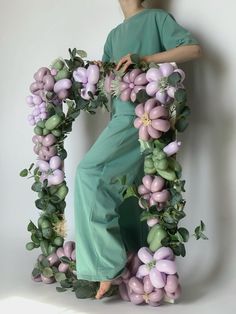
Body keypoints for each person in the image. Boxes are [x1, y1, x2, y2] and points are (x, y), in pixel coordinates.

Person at [74, 0, 202, 300]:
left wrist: (145, 58)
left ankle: (106, 267)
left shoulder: (157, 18)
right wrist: (99, 71)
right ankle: (132, 262)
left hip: (144, 118)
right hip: (120, 118)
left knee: (88, 173)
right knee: (126, 193)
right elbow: (109, 85)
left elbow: (193, 49)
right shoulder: (113, 36)